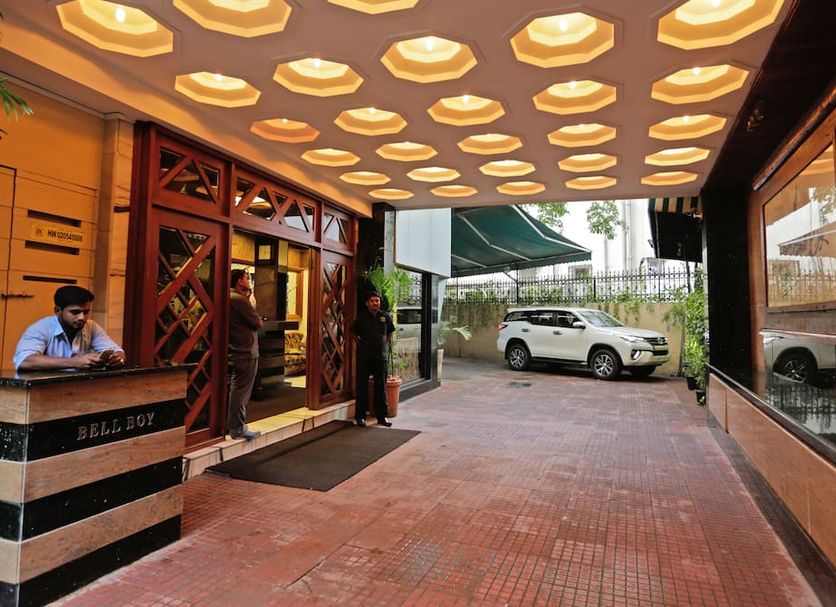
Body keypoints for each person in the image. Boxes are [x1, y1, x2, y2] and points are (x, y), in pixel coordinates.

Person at [13, 285, 126, 371]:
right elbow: (25, 361)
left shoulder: (91, 326)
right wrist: (75, 362)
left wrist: (117, 359)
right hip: (43, 389)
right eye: (75, 312)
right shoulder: (41, 328)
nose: (82, 317)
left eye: (86, 312)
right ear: (58, 311)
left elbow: (118, 351)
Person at [228, 269, 263, 440]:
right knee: (241, 392)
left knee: (235, 390)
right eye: (247, 278)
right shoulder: (239, 300)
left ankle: (232, 425)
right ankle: (237, 428)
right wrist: (250, 301)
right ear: (239, 281)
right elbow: (257, 322)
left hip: (234, 349)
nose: (249, 281)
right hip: (245, 351)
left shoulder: (228, 297)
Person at [351, 291, 395, 427]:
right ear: (367, 303)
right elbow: (353, 333)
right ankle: (360, 417)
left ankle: (382, 417)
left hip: (380, 357)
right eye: (372, 301)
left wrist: (383, 344)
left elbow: (390, 333)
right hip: (364, 357)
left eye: (377, 301)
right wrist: (362, 344)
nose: (375, 303)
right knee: (362, 387)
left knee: (381, 387)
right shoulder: (361, 317)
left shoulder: (385, 316)